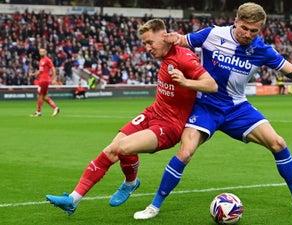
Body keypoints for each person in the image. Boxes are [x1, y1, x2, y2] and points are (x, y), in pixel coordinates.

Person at [133, 2, 292, 220]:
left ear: (261, 29)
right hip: (205, 106)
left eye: (254, 30)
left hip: (237, 107)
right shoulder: (212, 34)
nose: (248, 34)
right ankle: (154, 206)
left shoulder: (262, 50)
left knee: (278, 143)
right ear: (236, 21)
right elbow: (182, 40)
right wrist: (172, 37)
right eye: (244, 28)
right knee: (186, 152)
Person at [45, 19, 217, 215]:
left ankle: (130, 182)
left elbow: (211, 85)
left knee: (124, 147)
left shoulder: (184, 57)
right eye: (144, 43)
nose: (147, 48)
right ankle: (73, 199)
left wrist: (185, 82)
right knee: (111, 149)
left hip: (170, 126)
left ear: (164, 36)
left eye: (150, 42)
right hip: (152, 113)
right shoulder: (166, 55)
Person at [30, 48, 60, 117]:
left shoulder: (47, 60)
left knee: (40, 95)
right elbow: (40, 71)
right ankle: (55, 108)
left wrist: (54, 79)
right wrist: (33, 74)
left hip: (44, 80)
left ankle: (38, 112)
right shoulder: (41, 60)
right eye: (40, 51)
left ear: (46, 52)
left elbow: (53, 69)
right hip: (42, 80)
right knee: (44, 96)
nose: (41, 52)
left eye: (43, 51)